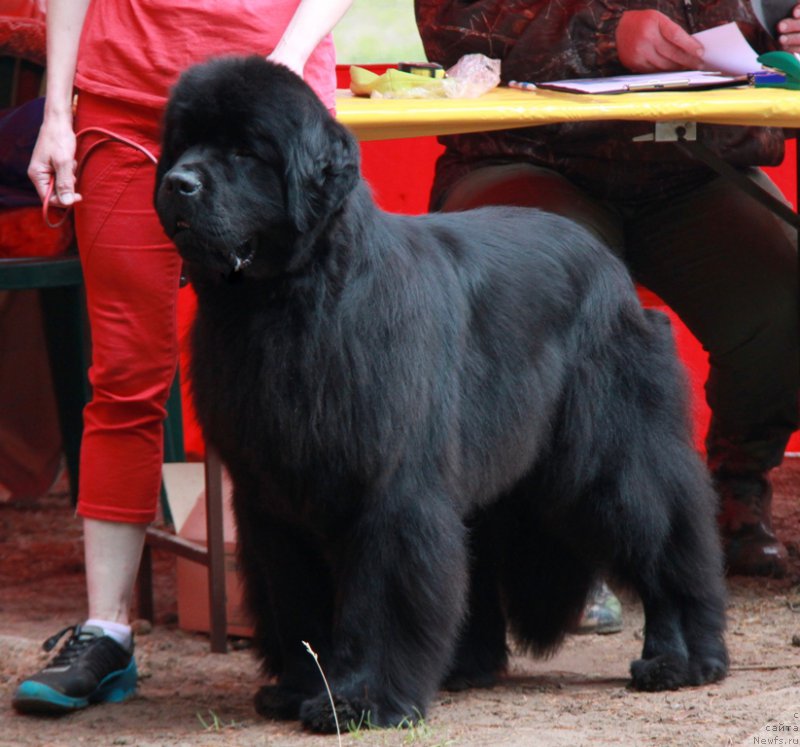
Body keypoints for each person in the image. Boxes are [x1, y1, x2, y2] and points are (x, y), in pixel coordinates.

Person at [12, 0, 353, 715]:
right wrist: (53, 115)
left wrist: (282, 66)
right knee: (126, 376)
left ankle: (340, 628)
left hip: (272, 117)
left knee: (313, 375)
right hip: (126, 107)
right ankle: (106, 633)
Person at [415, 0, 799, 590]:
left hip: (697, 163)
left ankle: (735, 486)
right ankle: (551, 539)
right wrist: (604, 36)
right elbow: (455, 26)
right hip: (526, 156)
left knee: (787, 294)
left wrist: (781, 24)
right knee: (542, 292)